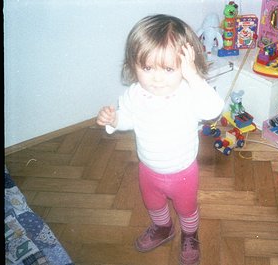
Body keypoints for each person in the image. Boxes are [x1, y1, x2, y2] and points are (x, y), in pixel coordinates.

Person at [96, 14, 224, 265]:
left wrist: (192, 76)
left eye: (168, 69)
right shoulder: (135, 93)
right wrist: (114, 121)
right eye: (147, 68)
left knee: (187, 210)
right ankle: (163, 228)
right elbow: (128, 119)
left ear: (186, 65)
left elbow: (213, 110)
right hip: (149, 170)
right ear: (133, 65)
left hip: (183, 172)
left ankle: (190, 235)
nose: (156, 78)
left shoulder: (190, 93)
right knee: (153, 204)